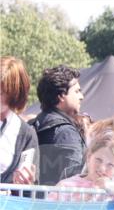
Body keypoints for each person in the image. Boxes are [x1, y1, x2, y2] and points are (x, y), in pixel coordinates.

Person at [30, 64, 86, 185]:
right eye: (76, 91)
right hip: (58, 201)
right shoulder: (66, 132)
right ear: (61, 96)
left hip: (30, 201)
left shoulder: (30, 126)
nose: (81, 96)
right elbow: (73, 180)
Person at [0, 57, 38, 185]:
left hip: (8, 204)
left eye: (2, 92)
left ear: (15, 93)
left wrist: (26, 183)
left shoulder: (26, 134)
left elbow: (31, 189)